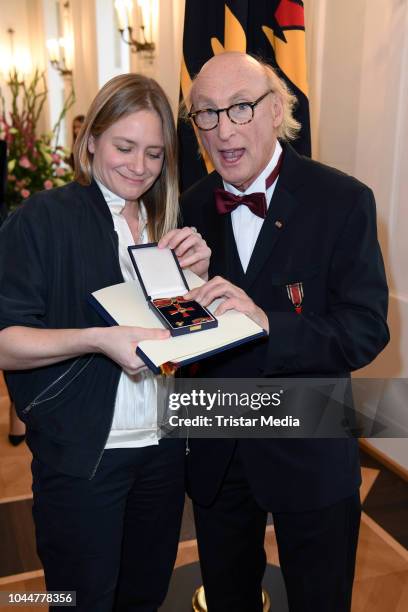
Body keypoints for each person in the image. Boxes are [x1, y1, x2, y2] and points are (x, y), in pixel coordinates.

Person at [180, 52, 389, 612]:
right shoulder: (192, 204)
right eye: (206, 114)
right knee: (228, 599)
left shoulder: (343, 200)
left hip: (311, 444)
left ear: (276, 110)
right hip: (218, 444)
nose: (222, 131)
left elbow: (366, 329)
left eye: (240, 108)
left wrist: (270, 324)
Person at [0, 73, 210, 611]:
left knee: (146, 595)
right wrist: (97, 339)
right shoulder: (42, 220)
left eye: (155, 154)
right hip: (84, 459)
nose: (139, 167)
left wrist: (199, 288)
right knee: (80, 600)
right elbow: (5, 340)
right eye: (124, 146)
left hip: (163, 453)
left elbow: (181, 342)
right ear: (90, 138)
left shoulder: (169, 223)